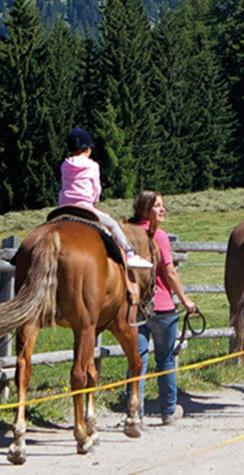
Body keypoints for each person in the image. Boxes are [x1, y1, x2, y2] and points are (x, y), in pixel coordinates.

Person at [127, 190, 198, 425]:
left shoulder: (128, 233)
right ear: (147, 209)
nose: (162, 209)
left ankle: (135, 411)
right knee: (165, 360)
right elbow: (169, 272)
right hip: (164, 306)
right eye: (158, 205)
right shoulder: (159, 236)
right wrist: (185, 300)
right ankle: (168, 411)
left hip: (137, 307)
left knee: (137, 359)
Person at [59, 128, 155, 271]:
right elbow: (96, 189)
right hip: (85, 207)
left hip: (63, 208)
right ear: (87, 148)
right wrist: (94, 202)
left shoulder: (65, 165)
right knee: (112, 225)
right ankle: (129, 253)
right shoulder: (92, 166)